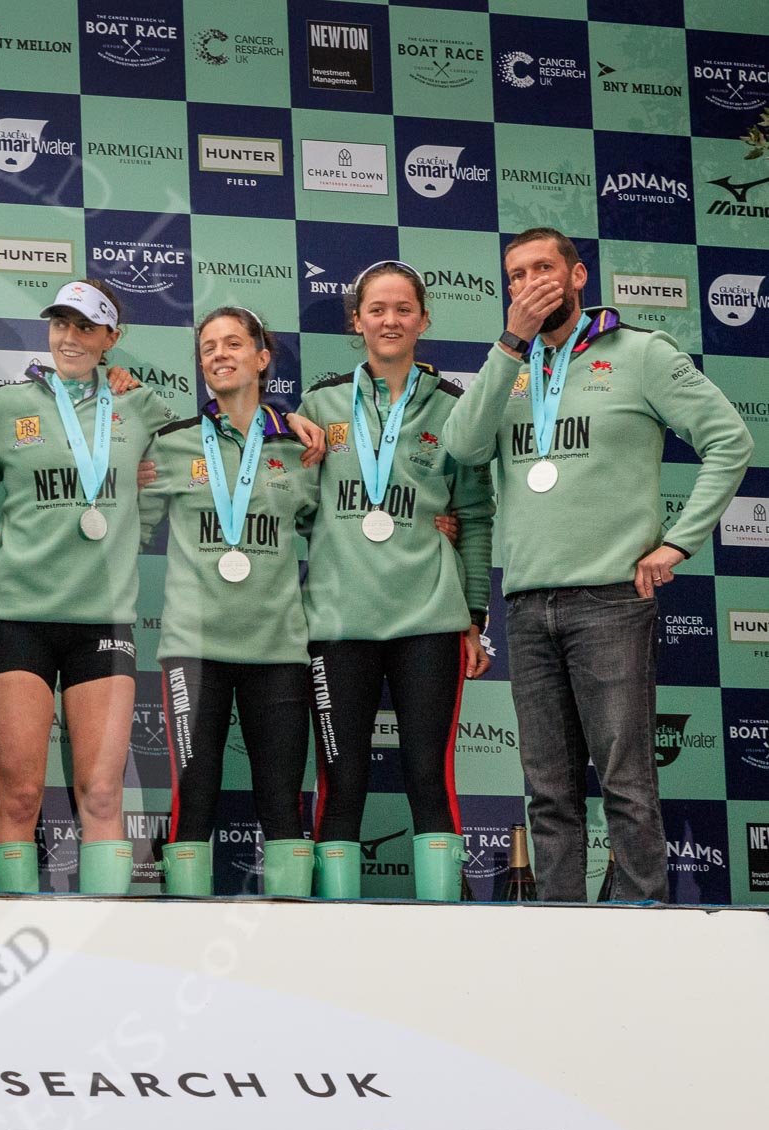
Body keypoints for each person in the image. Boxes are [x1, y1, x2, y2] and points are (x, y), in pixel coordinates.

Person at [445, 228, 752, 903]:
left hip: (612, 598)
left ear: (577, 276)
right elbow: (463, 449)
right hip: (526, 605)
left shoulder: (639, 354)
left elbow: (731, 440)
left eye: (543, 269)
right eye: (517, 275)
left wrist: (678, 542)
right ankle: (561, 930)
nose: (530, 284)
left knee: (627, 785)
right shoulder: (511, 369)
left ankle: (643, 925)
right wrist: (507, 345)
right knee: (548, 792)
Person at [298, 262, 494, 901]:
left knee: (428, 777)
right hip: (337, 622)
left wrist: (473, 614)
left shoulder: (453, 408)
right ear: (356, 320)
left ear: (424, 319)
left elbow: (473, 514)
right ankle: (331, 929)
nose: (390, 320)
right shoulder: (319, 407)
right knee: (341, 778)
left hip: (429, 623)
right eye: (376, 309)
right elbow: (291, 507)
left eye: (403, 309)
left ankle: (446, 927)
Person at [0, 280, 174, 894]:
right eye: (61, 324)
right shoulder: (6, 407)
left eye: (86, 327)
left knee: (103, 790)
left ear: (113, 339)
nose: (69, 337)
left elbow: (179, 473)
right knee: (21, 792)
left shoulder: (143, 408)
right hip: (18, 615)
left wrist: (128, 541)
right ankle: (11, 929)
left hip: (103, 620)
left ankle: (103, 952)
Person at [138, 308, 321, 896]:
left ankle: (290, 944)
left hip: (280, 649)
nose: (219, 354)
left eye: (234, 344)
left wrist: (436, 523)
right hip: (195, 648)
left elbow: (340, 528)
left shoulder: (301, 447)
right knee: (195, 795)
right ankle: (182, 942)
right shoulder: (169, 445)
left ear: (262, 359)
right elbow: (124, 526)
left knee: (281, 802)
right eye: (208, 346)